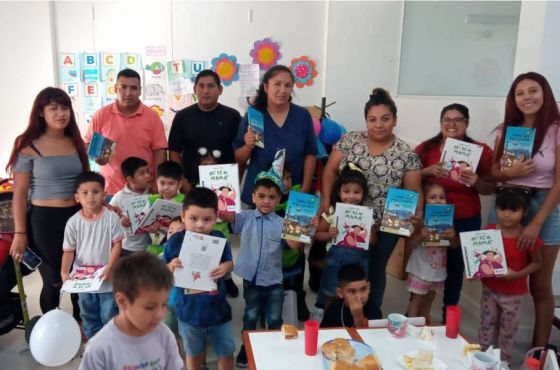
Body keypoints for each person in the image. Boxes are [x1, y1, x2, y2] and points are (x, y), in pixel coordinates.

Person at [321, 88, 422, 311]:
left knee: (375, 266)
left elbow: (414, 190)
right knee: (343, 262)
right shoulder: (350, 140)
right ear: (366, 120)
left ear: (395, 120)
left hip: (387, 224)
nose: (379, 124)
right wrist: (326, 199)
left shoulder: (406, 153)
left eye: (385, 119)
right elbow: (329, 170)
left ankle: (371, 312)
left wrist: (417, 213)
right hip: (348, 216)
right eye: (372, 119)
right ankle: (338, 311)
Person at [490, 72, 560, 347]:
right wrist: (512, 170)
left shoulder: (556, 129)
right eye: (520, 93)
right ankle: (493, 348)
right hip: (507, 203)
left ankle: (539, 351)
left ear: (545, 94)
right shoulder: (505, 129)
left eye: (533, 91)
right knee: (497, 273)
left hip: (545, 206)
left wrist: (535, 223)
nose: (527, 97)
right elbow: (494, 172)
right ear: (513, 99)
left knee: (540, 284)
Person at [7, 87, 89, 319]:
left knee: (78, 277)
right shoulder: (27, 145)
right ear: (41, 112)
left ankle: (79, 326)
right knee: (53, 279)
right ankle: (51, 326)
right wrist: (20, 233)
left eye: (65, 108)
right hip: (44, 221)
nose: (61, 113)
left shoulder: (76, 141)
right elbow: (20, 193)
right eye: (53, 108)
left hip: (77, 217)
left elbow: (85, 182)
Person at [415, 103, 494, 321]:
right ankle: (416, 313)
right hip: (432, 218)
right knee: (426, 265)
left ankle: (448, 317)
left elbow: (491, 188)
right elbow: (408, 178)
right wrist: (426, 171)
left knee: (455, 266)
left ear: (467, 123)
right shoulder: (426, 149)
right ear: (440, 123)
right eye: (446, 120)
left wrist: (477, 181)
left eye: (457, 119)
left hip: (465, 218)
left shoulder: (481, 151)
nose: (451, 124)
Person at [220, 172, 303, 368]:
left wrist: (302, 227)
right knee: (250, 315)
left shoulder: (284, 223)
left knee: (274, 318)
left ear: (279, 199)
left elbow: (294, 246)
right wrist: (218, 193)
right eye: (262, 196)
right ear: (253, 197)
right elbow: (225, 215)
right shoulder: (246, 217)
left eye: (272, 197)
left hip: (274, 280)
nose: (266, 201)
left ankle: (272, 349)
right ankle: (246, 349)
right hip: (250, 279)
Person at [164, 188, 235, 370]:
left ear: (216, 217)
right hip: (188, 313)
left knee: (226, 351)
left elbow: (229, 262)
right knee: (193, 353)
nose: (200, 225)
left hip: (219, 311)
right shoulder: (175, 242)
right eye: (193, 219)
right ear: (182, 216)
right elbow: (162, 271)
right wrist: (171, 266)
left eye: (207, 219)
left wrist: (225, 267)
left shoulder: (219, 238)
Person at [79, 252, 183, 370]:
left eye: (164, 305)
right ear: (122, 301)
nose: (160, 314)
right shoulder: (99, 349)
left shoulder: (164, 335)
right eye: (149, 307)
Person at [233, 65, 317, 206]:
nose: (283, 90)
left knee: (292, 229)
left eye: (287, 85)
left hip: (294, 192)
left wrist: (305, 188)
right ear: (266, 87)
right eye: (277, 84)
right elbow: (238, 158)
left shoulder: (302, 116)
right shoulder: (254, 116)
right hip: (259, 197)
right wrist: (248, 146)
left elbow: (311, 153)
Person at [479, 187, 542, 363]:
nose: (506, 214)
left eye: (513, 210)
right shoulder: (490, 231)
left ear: (525, 211)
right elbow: (481, 259)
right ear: (496, 208)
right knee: (486, 326)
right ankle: (481, 360)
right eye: (502, 208)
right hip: (490, 290)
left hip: (514, 294)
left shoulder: (527, 237)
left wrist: (517, 275)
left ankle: (503, 363)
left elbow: (537, 263)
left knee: (508, 330)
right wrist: (474, 270)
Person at [84, 68, 167, 197]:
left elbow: (160, 151)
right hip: (110, 191)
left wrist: (158, 180)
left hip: (144, 191)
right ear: (115, 88)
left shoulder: (152, 117)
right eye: (123, 87)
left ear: (140, 90)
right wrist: (97, 158)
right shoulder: (100, 115)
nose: (128, 93)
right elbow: (87, 143)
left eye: (133, 88)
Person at [61, 171, 124, 339]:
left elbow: (117, 244)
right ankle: (94, 345)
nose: (90, 197)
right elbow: (68, 250)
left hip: (106, 278)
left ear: (104, 194)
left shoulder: (111, 218)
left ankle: (111, 343)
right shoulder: (73, 222)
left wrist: (110, 267)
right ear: (77, 197)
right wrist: (64, 271)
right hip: (83, 281)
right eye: (85, 193)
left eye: (96, 192)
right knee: (88, 316)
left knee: (108, 314)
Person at [169, 69, 241, 192]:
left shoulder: (233, 116)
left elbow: (239, 153)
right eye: (201, 86)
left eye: (211, 86)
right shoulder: (182, 116)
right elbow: (174, 151)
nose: (206, 91)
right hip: (190, 185)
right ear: (194, 89)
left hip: (225, 186)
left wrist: (236, 180)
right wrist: (182, 180)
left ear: (220, 90)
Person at [314, 165, 372, 311]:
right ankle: (327, 318)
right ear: (339, 192)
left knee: (355, 295)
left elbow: (374, 240)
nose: (351, 196)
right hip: (335, 261)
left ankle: (349, 319)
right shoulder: (333, 211)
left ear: (363, 194)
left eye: (357, 192)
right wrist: (328, 235)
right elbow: (317, 234)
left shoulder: (367, 215)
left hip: (358, 264)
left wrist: (370, 237)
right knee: (331, 292)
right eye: (346, 191)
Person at [405, 182, 458, 324]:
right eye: (433, 197)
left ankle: (424, 330)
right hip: (420, 269)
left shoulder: (449, 222)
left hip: (437, 271)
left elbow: (454, 246)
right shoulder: (419, 222)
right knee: (417, 300)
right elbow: (409, 245)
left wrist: (452, 236)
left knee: (429, 301)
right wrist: (421, 235)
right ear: (425, 201)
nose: (438, 200)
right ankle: (411, 329)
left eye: (442, 197)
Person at [109, 157, 152, 256]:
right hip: (127, 247)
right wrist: (120, 219)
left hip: (150, 246)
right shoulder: (120, 196)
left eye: (147, 171)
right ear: (130, 179)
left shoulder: (152, 192)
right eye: (142, 173)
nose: (148, 175)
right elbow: (108, 215)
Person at [320, 264, 381, 328]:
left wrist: (358, 317)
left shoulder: (374, 310)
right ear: (340, 293)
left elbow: (369, 337)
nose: (359, 297)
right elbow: (323, 333)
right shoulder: (333, 309)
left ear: (368, 288)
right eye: (352, 292)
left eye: (363, 289)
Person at [145, 161, 184, 256]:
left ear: (179, 184)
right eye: (162, 183)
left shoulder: (185, 201)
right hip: (154, 246)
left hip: (177, 247)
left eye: (171, 184)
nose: (166, 187)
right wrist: (149, 227)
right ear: (156, 182)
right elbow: (143, 221)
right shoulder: (151, 200)